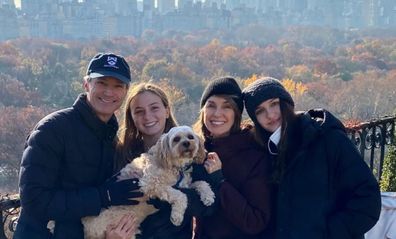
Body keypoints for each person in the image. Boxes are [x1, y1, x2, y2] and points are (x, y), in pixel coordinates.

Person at [14, 53, 143, 239]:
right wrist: (102, 197)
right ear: (86, 84)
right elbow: (34, 199)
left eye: (117, 86)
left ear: (125, 91)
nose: (109, 92)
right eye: (102, 83)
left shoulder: (115, 142)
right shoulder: (53, 129)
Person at [242, 77, 382, 239]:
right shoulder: (265, 152)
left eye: (274, 104)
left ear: (286, 103)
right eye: (260, 111)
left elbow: (367, 199)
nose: (270, 114)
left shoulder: (328, 139)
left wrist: (329, 233)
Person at [115, 82, 219, 239]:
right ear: (131, 117)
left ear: (167, 111)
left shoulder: (191, 154)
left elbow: (209, 208)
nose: (148, 116)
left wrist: (167, 197)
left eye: (154, 108)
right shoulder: (121, 153)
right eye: (139, 111)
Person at [193, 77, 271, 239]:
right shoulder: (197, 152)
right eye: (211, 105)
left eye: (226, 107)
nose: (217, 113)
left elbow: (255, 221)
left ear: (236, 114)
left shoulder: (254, 156)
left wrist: (220, 181)